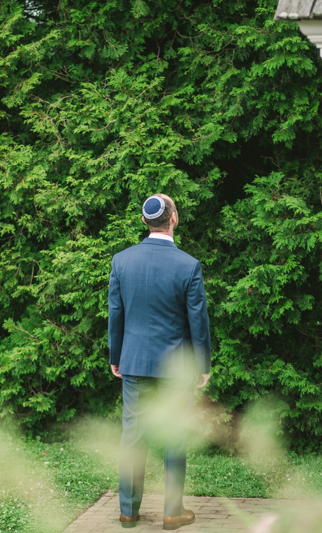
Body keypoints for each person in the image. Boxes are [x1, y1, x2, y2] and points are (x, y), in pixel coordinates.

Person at [108, 194, 211, 530]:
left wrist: (116, 356)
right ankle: (171, 512)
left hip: (134, 362)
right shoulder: (188, 265)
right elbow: (198, 321)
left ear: (144, 222)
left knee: (133, 437)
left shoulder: (122, 261)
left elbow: (116, 314)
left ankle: (128, 511)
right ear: (174, 218)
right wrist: (202, 363)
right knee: (175, 437)